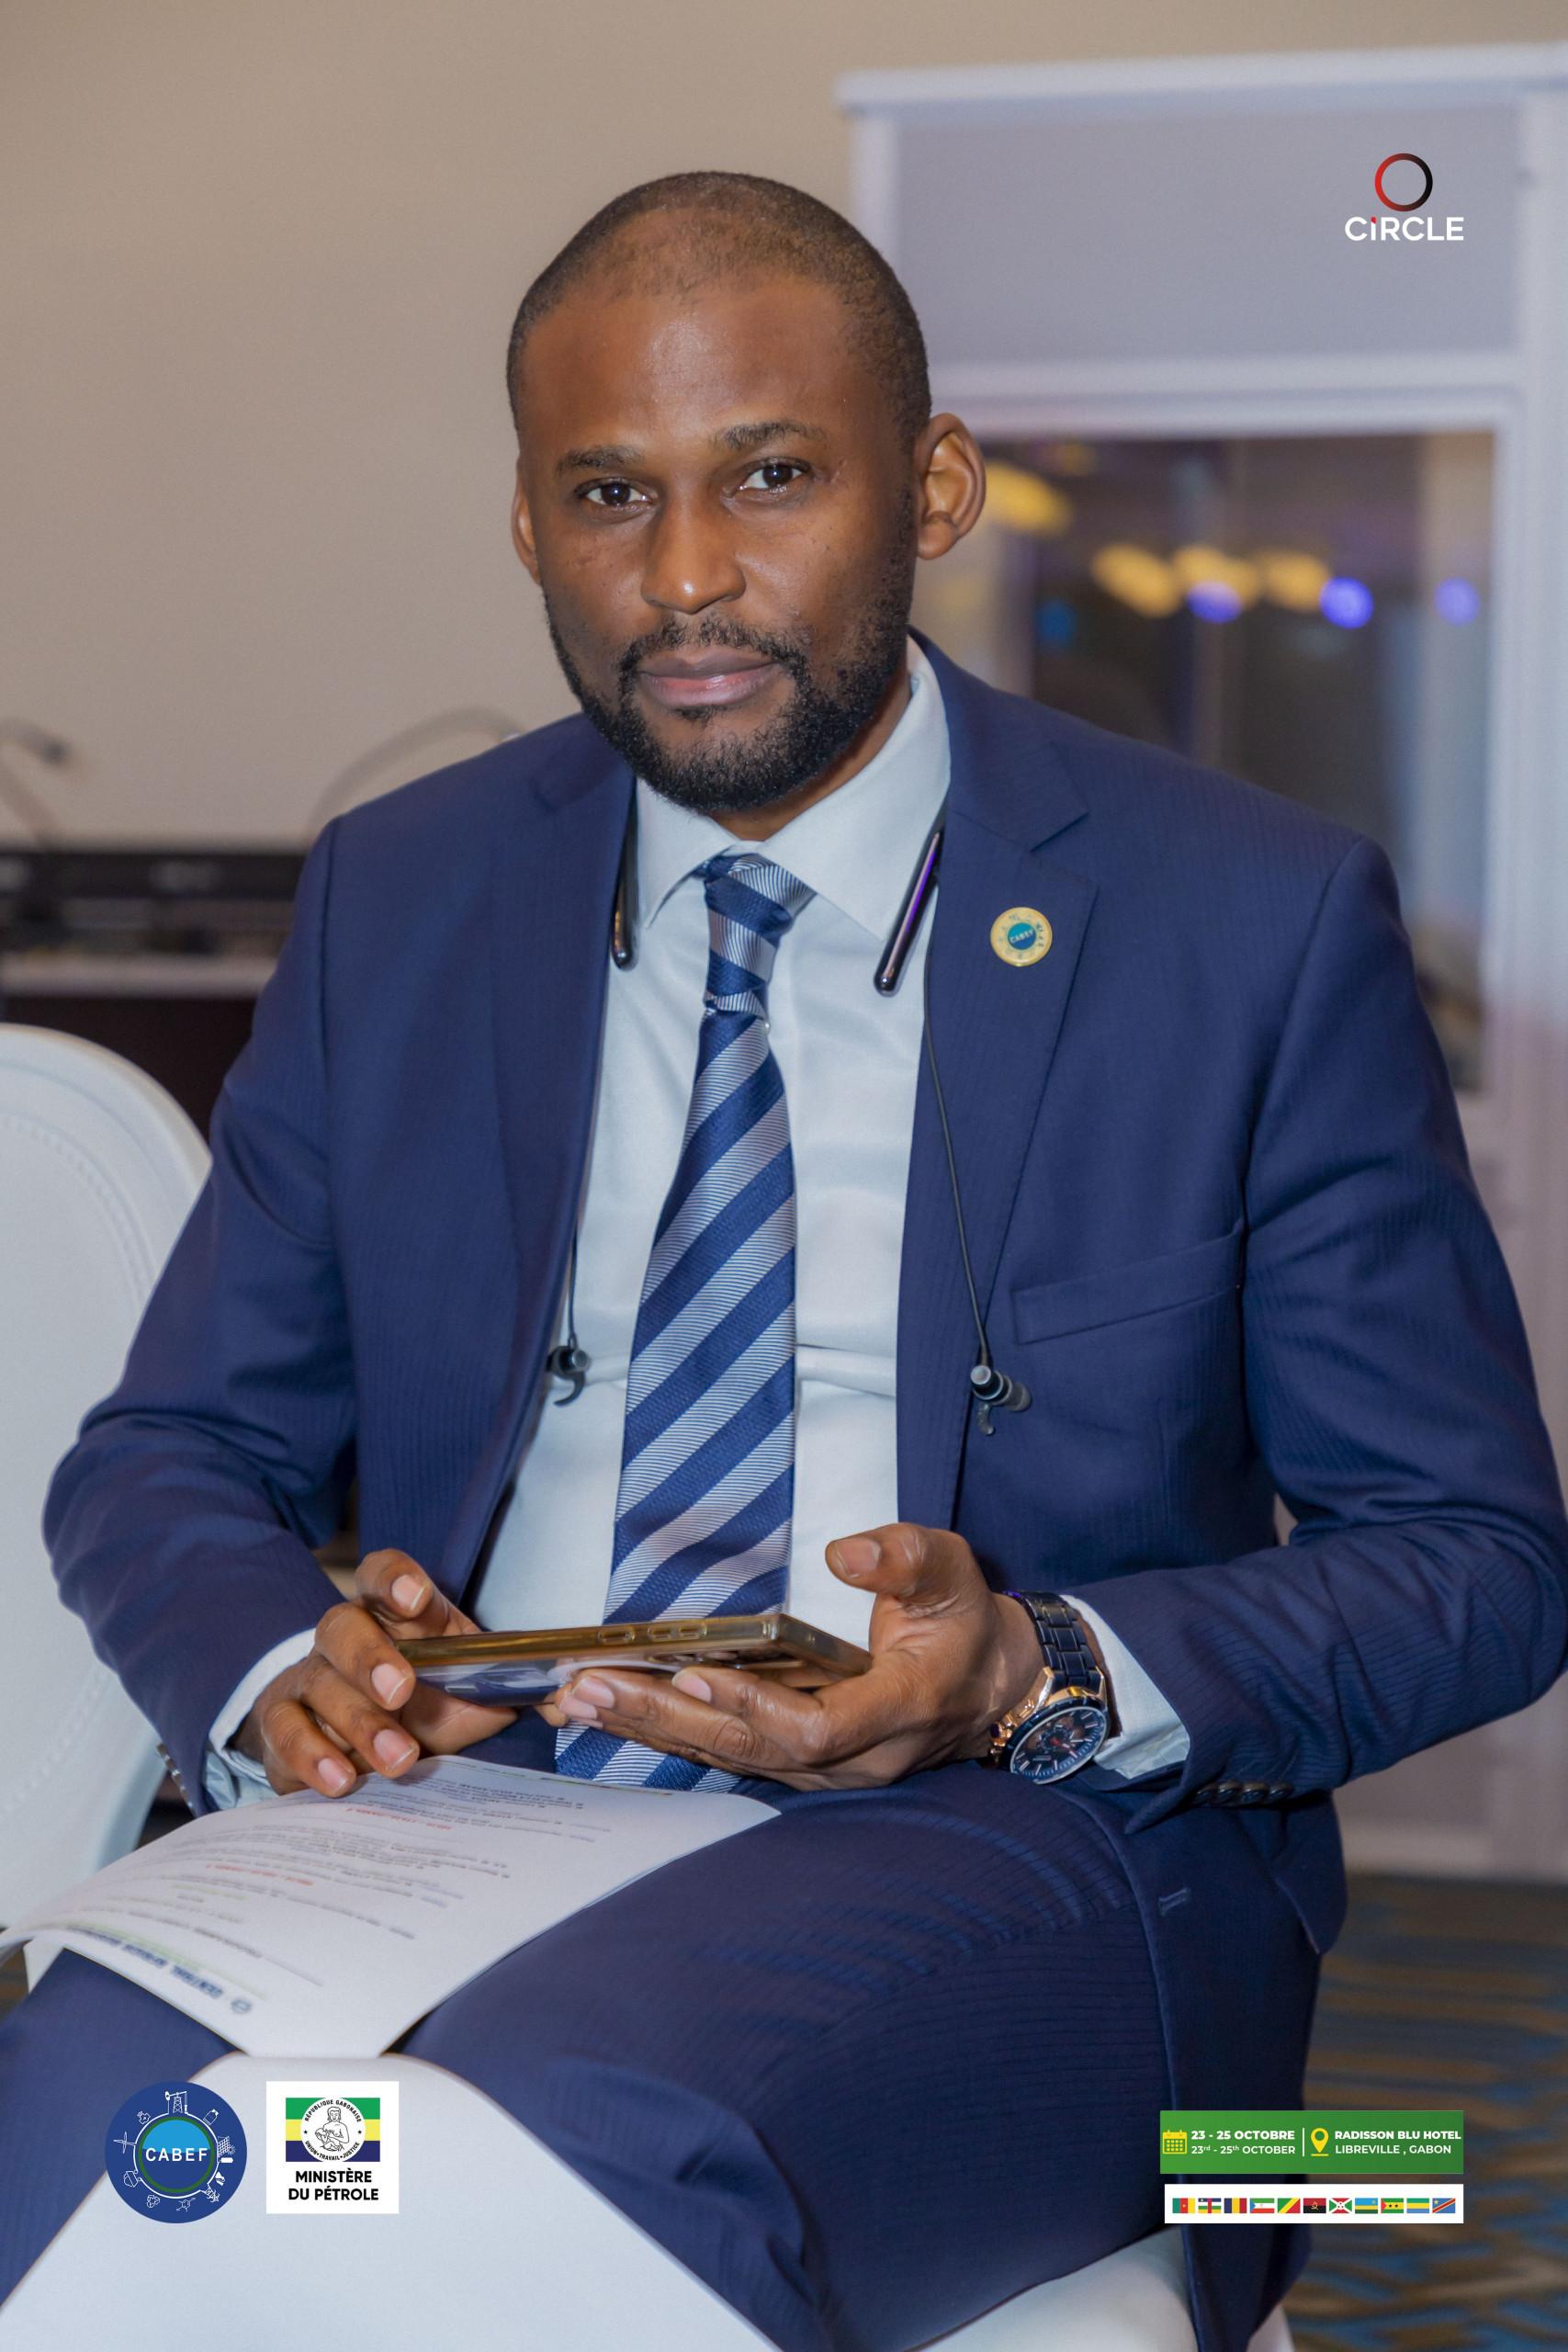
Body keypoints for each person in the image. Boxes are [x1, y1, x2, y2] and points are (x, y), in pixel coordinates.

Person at [4, 171, 1565, 2351]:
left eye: (767, 476)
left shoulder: (1240, 918)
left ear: (930, 488)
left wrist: (1024, 1665)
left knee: (547, 2135)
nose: (683, 576)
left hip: (1017, 1840)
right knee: (74, 2126)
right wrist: (292, 1667)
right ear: (526, 521)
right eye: (606, 493)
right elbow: (166, 1445)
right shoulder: (405, 897)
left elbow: (1475, 1559)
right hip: (461, 1816)